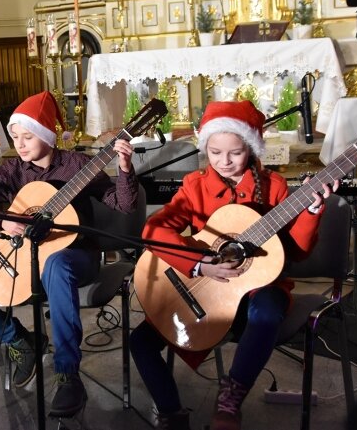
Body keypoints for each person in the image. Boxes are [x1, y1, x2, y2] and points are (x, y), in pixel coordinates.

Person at [129, 100, 338, 430]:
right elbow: (153, 230)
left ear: (251, 148)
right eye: (214, 152)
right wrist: (200, 264)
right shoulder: (195, 186)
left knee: (267, 311)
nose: (224, 162)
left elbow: (296, 253)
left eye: (235, 153)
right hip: (206, 290)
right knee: (140, 341)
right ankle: (172, 413)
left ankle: (232, 397)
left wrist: (310, 213)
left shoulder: (275, 186)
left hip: (258, 287)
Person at [0, 91, 142, 415]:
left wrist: (125, 168)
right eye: (15, 136)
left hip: (76, 257)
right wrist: (3, 223)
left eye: (28, 136)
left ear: (46, 135)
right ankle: (19, 341)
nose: (21, 144)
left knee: (56, 263)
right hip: (23, 257)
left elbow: (124, 204)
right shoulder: (13, 170)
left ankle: (67, 374)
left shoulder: (79, 165)